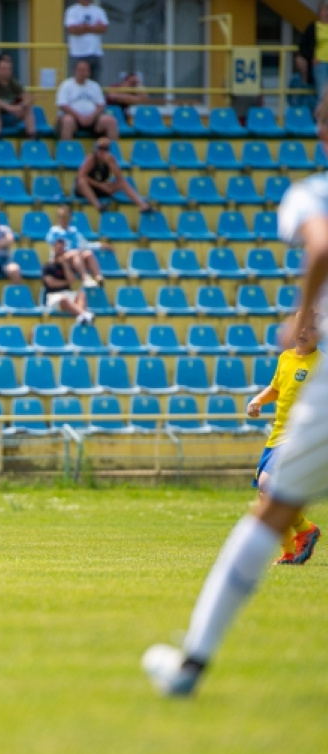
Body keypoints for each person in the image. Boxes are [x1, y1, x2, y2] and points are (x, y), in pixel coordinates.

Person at [142, 96, 328, 697]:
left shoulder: (310, 194)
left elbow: (321, 247)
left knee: (272, 512)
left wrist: (303, 315)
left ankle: (190, 666)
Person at [247, 311, 321, 565]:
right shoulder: (285, 358)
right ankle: (289, 551)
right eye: (299, 326)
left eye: (310, 328)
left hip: (299, 435)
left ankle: (306, 530)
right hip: (277, 435)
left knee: (268, 484)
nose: (303, 332)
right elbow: (276, 388)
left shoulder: (321, 365)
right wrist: (258, 400)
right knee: (264, 495)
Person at [75, 137, 151, 213]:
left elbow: (119, 177)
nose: (102, 151)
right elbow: (81, 176)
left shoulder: (110, 159)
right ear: (96, 149)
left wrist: (111, 164)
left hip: (101, 188)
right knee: (82, 181)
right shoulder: (91, 158)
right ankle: (99, 206)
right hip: (88, 188)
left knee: (122, 183)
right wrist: (100, 185)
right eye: (100, 148)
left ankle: (143, 205)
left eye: (105, 149)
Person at [56, 60, 118, 141]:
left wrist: (91, 117)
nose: (83, 73)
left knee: (110, 121)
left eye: (86, 70)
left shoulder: (95, 85)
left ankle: (113, 151)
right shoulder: (66, 85)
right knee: (68, 121)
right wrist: (79, 117)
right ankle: (66, 150)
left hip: (93, 120)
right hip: (73, 119)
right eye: (81, 70)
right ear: (75, 71)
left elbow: (100, 105)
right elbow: (63, 105)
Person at [45, 205, 104, 287]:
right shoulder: (54, 231)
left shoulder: (74, 231)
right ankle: (85, 278)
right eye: (61, 217)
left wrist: (101, 245)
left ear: (70, 218)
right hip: (59, 258)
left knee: (88, 253)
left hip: (75, 259)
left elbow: (85, 245)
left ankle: (98, 277)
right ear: (58, 217)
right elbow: (53, 249)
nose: (64, 219)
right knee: (75, 252)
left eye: (66, 217)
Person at [42, 233, 94, 324]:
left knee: (81, 294)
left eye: (62, 249)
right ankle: (84, 314)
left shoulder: (66, 266)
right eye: (58, 249)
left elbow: (72, 280)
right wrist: (66, 282)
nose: (60, 251)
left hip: (67, 293)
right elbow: (51, 283)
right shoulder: (47, 266)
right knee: (64, 299)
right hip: (53, 296)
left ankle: (82, 318)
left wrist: (65, 265)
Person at [0, 53, 37, 140]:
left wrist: (21, 105)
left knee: (27, 108)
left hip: (11, 116)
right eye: (3, 69)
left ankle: (32, 136)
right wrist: (8, 107)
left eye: (8, 69)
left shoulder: (14, 83)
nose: (6, 71)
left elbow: (27, 97)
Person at [64, 0, 109, 83]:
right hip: (77, 53)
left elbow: (103, 28)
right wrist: (93, 27)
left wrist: (83, 27)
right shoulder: (72, 10)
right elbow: (72, 29)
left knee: (95, 83)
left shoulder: (98, 10)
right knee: (76, 82)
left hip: (94, 53)